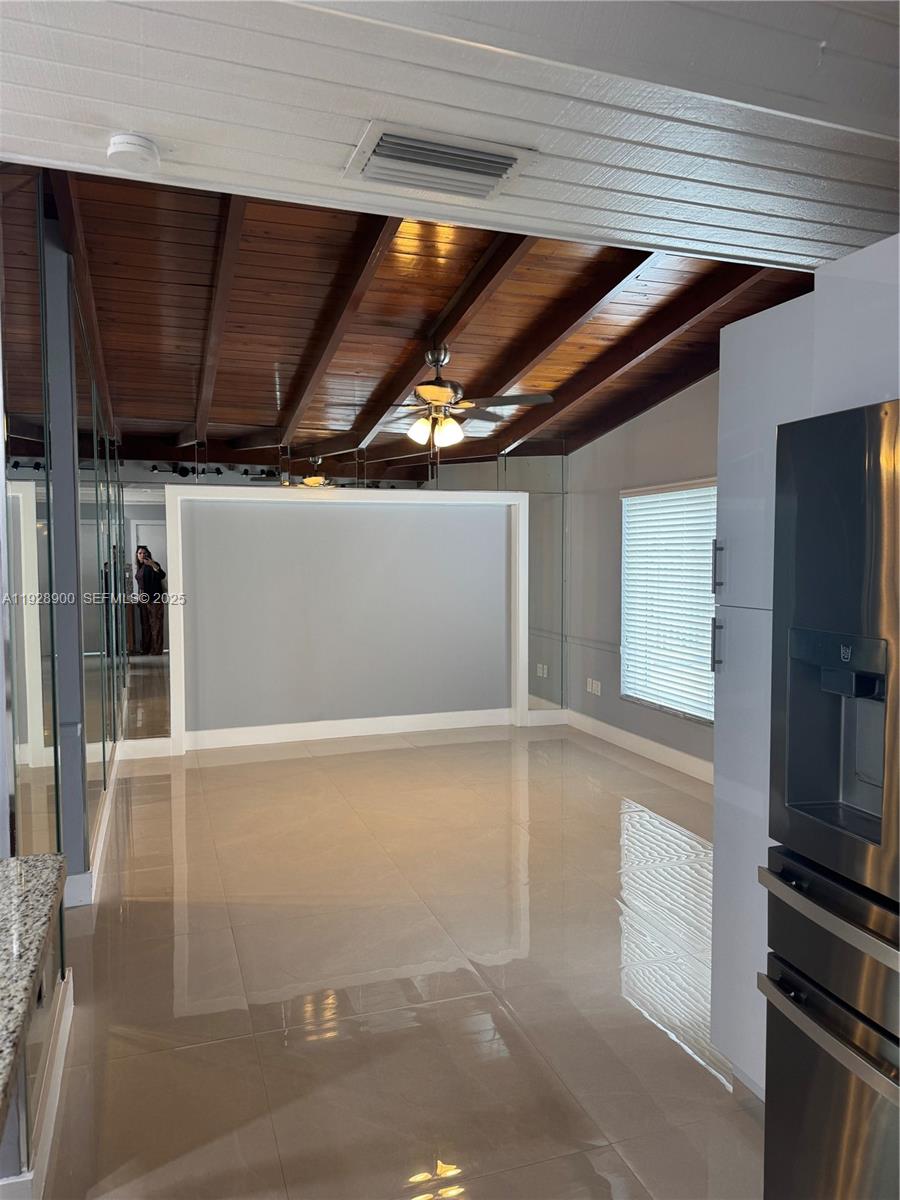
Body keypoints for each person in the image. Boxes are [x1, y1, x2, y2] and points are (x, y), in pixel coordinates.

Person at [135, 545, 166, 656]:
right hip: (143, 599)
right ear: (137, 555)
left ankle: (156, 650)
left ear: (148, 554)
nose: (142, 555)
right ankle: (146, 648)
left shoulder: (154, 564)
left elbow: (162, 575)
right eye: (140, 553)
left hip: (155, 598)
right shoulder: (139, 568)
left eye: (144, 553)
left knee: (156, 625)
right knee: (145, 625)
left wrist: (152, 564)